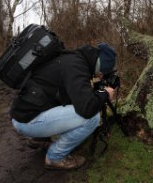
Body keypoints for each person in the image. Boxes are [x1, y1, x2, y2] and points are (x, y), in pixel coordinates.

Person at [10, 42, 117, 170]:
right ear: (99, 66)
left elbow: (72, 97)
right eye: (101, 73)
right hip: (28, 121)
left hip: (23, 114)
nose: (99, 76)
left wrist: (92, 92)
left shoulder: (70, 58)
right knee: (92, 118)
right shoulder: (76, 67)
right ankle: (55, 157)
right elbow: (87, 109)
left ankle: (38, 139)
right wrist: (105, 94)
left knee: (68, 105)